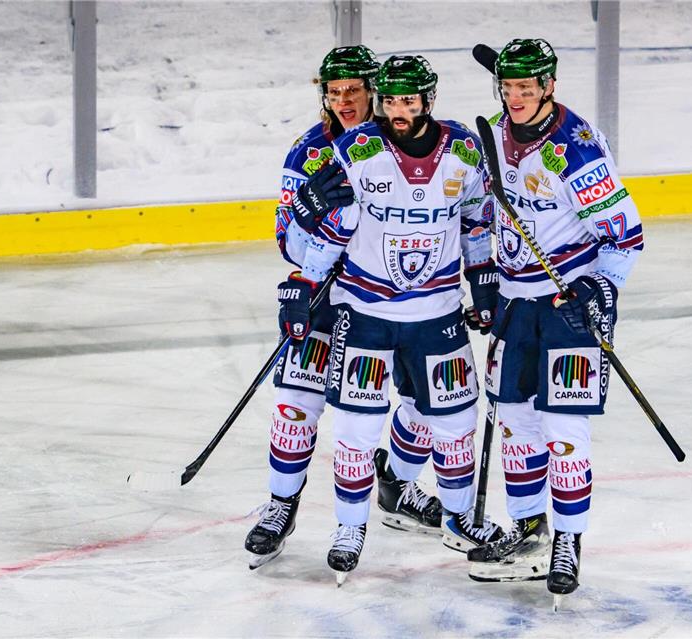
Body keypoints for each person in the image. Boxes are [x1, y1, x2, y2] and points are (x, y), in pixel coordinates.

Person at [291, 54, 504, 584]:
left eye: (408, 101)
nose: (398, 111)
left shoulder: (463, 150)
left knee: (454, 422)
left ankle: (460, 517)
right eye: (389, 101)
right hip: (364, 313)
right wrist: (303, 281)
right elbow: (328, 230)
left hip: (436, 315)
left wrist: (483, 277)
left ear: (428, 100)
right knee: (357, 428)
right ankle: (349, 527)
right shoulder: (355, 149)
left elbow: (478, 218)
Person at [244, 46, 441, 571]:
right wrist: (308, 211)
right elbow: (288, 243)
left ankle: (397, 482)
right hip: (327, 303)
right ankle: (280, 506)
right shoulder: (308, 153)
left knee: (427, 402)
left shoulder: (404, 141)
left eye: (354, 90)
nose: (344, 101)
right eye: (334, 93)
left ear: (375, 90)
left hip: (398, 299)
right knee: (294, 406)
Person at [464, 39, 644, 610]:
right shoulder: (491, 136)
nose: (515, 98)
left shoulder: (576, 148)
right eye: (508, 88)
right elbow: (478, 213)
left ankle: (568, 539)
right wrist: (485, 276)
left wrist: (598, 288)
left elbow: (625, 235)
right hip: (516, 308)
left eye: (526, 88)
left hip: (567, 306)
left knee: (564, 431)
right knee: (516, 424)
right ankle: (529, 529)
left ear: (548, 87)